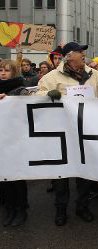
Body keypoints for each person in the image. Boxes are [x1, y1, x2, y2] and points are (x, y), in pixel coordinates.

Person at [36, 41, 98, 226]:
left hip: (86, 132)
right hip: (63, 133)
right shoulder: (52, 77)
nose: (83, 54)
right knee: (61, 175)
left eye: (83, 52)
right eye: (79, 51)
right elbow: (36, 94)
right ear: (68, 56)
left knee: (85, 172)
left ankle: (82, 207)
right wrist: (48, 95)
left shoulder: (93, 73)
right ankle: (60, 210)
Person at [0, 59, 30, 227]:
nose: (3, 73)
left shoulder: (21, 90)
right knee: (3, 178)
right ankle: (9, 208)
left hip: (16, 140)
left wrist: (9, 100)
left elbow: (26, 112)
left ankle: (21, 209)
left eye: (7, 70)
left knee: (17, 177)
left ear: (14, 72)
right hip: (1, 141)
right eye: (1, 70)